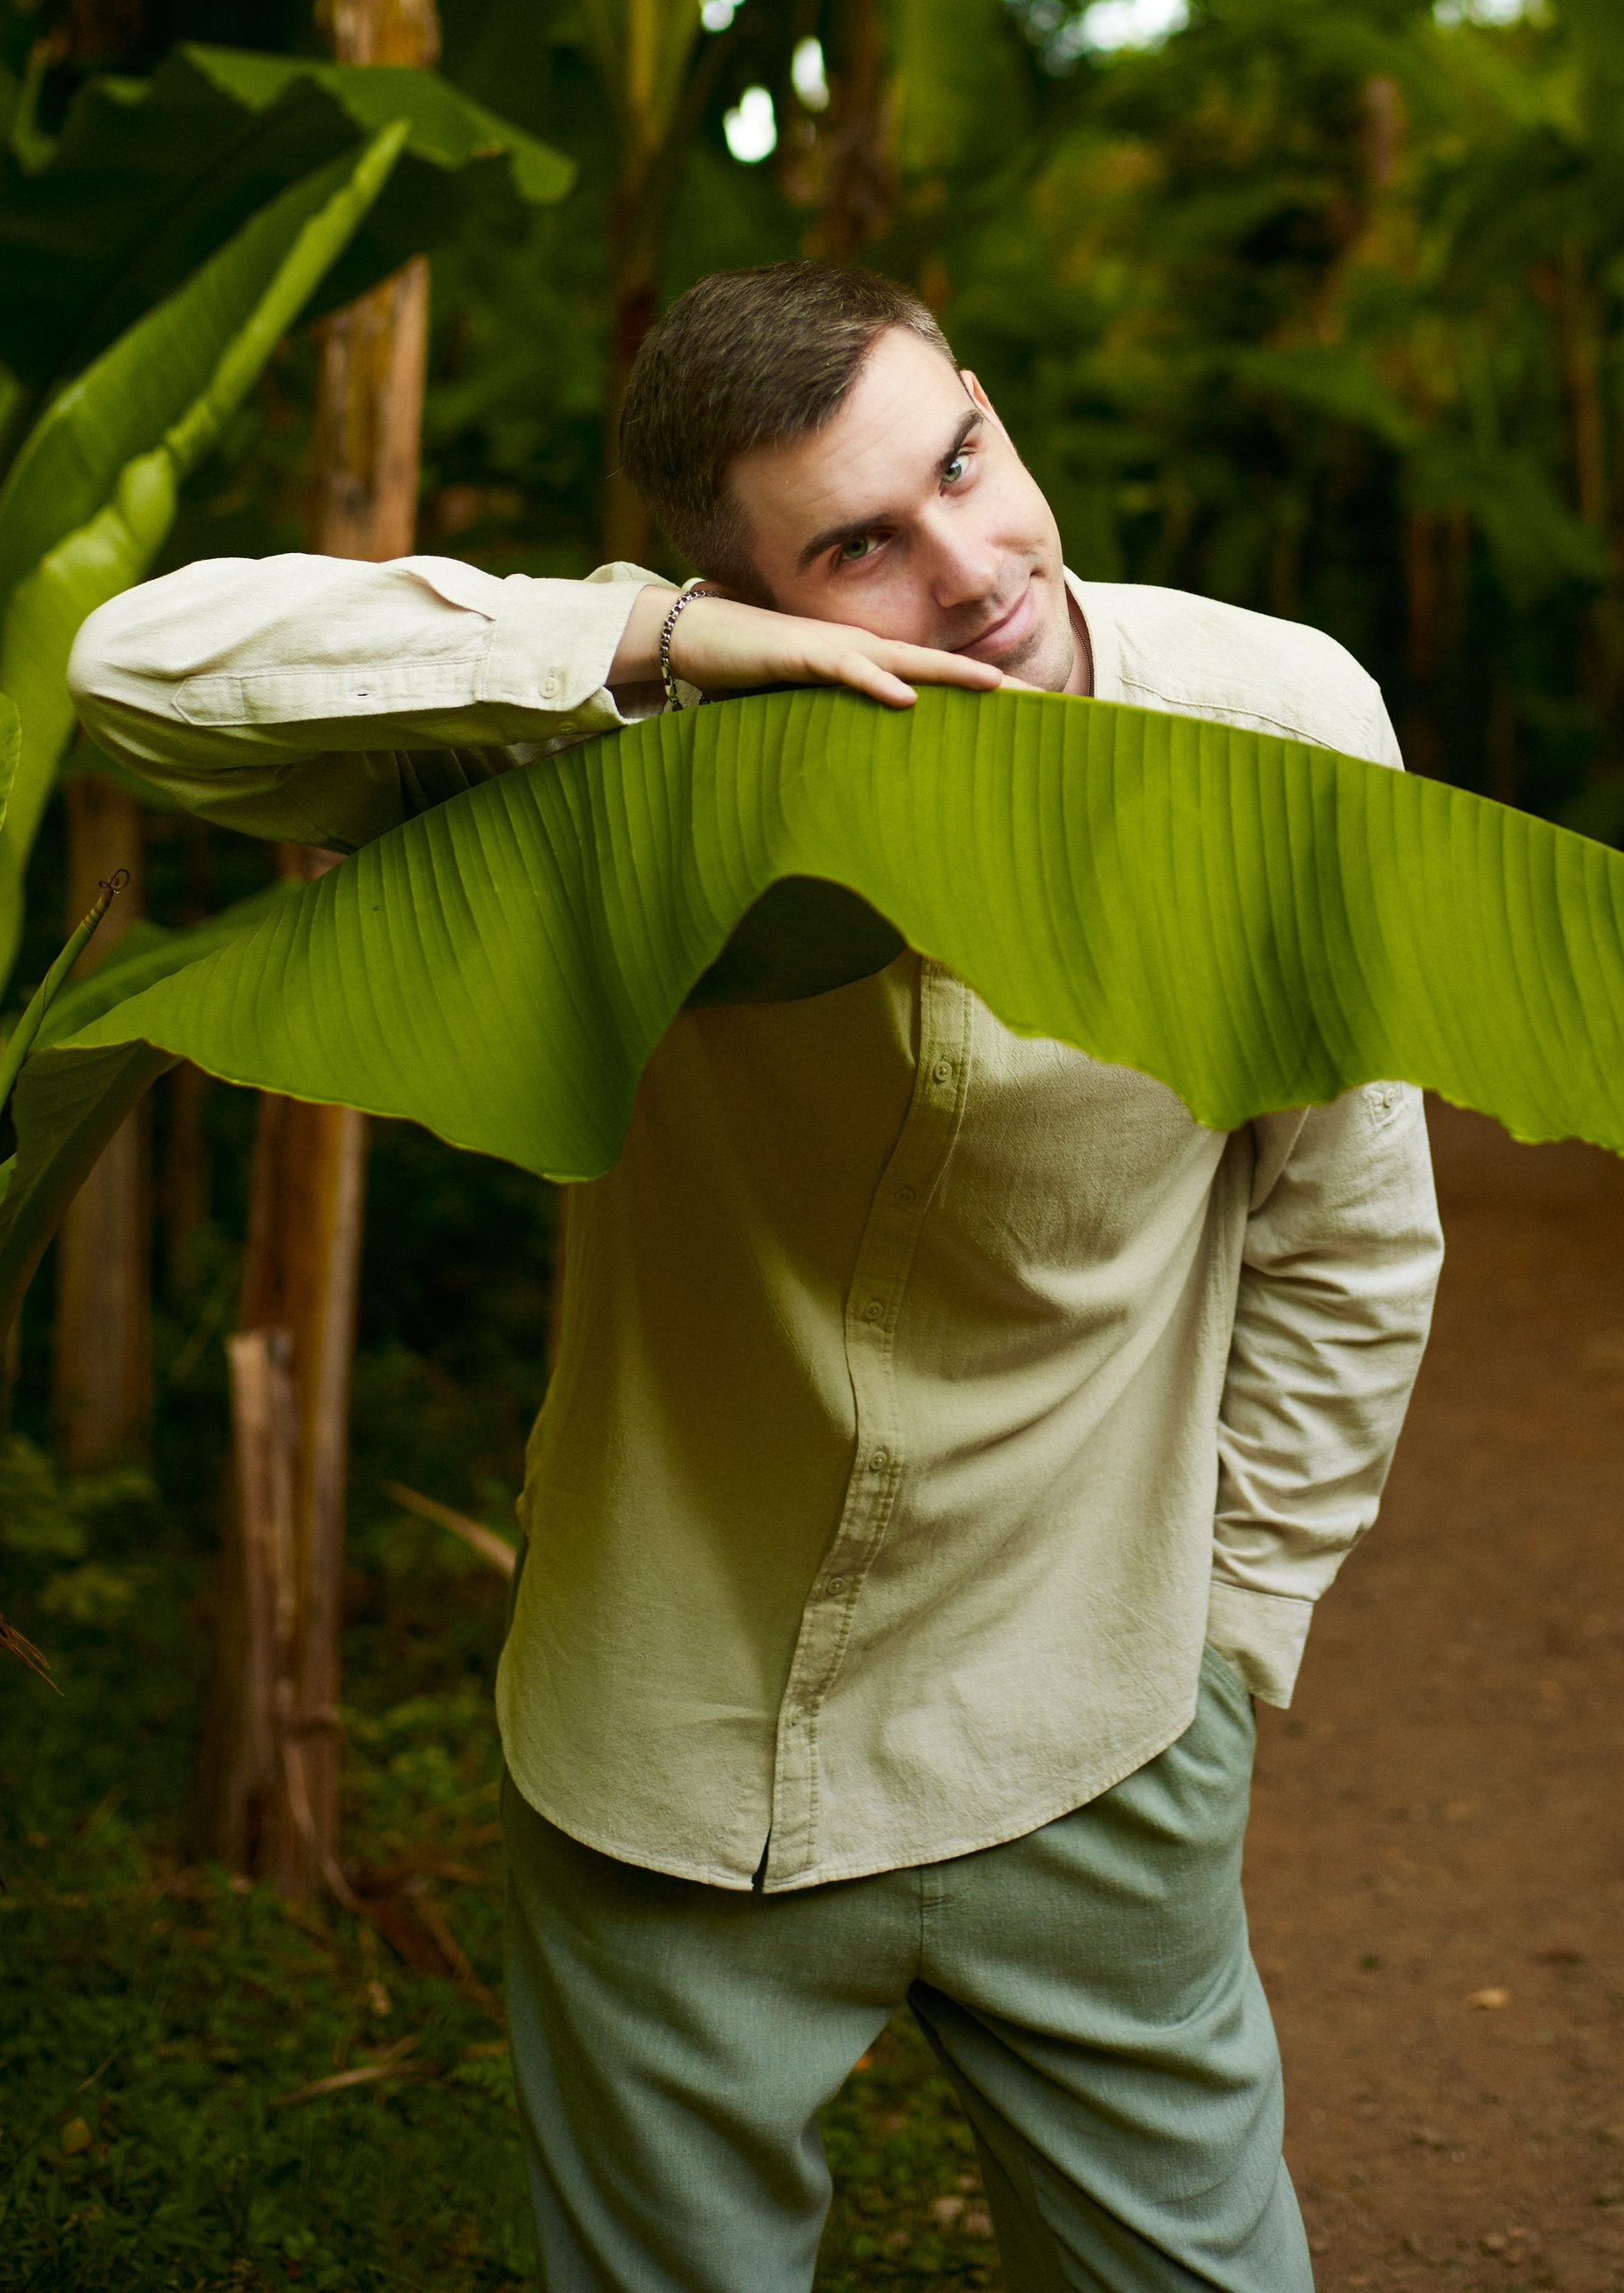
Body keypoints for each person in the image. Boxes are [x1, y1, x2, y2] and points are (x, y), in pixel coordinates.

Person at [71, 260, 1444, 2293]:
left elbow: (1345, 1232)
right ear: (749, 592)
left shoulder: (1279, 725)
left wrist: (1229, 1643)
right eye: (858, 545)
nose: (973, 567)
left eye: (961, 463)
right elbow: (134, 669)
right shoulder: (613, 773)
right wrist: (654, 651)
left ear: (985, 398)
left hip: (1090, 1735)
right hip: (667, 1762)